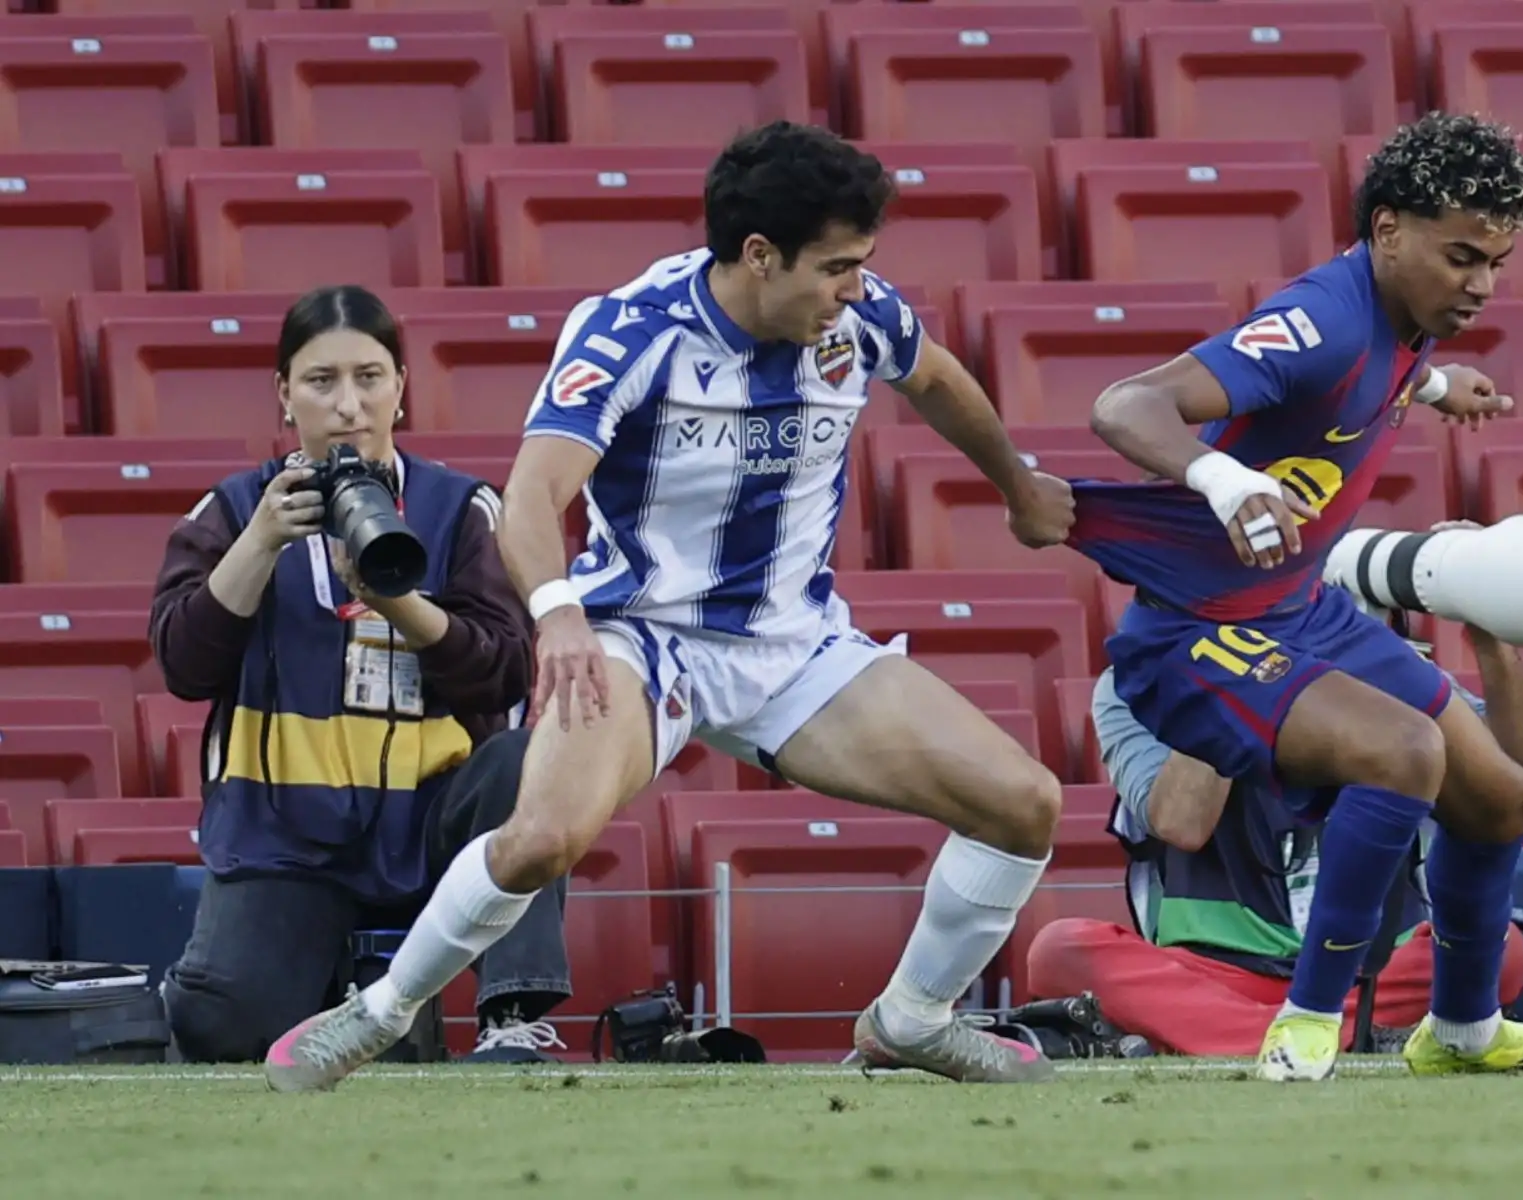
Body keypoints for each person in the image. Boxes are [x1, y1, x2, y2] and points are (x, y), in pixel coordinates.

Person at [263, 121, 1078, 1092]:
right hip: (641, 641)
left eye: (862, 266)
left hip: (795, 646)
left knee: (1024, 805)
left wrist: (1016, 486)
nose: (856, 289)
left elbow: (936, 379)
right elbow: (530, 498)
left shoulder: (859, 320)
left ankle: (913, 1019)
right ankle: (379, 1013)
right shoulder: (632, 333)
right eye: (837, 268)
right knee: (542, 840)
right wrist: (559, 613)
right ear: (760, 256)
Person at [1065, 112, 1523, 1080]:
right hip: (1194, 630)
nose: (1480, 284)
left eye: (1496, 262)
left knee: (1501, 797)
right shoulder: (1321, 318)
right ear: (1388, 229)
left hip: (1299, 608)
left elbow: (1376, 376)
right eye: (1462, 257)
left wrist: (1443, 390)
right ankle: (1308, 1024)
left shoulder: (1402, 324)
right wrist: (1222, 483)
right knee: (1403, 755)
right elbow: (1124, 404)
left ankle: (1465, 1032)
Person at [151, 285, 572, 1065]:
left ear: (401, 387)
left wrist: (400, 604)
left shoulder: (459, 507)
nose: (348, 405)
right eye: (321, 381)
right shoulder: (234, 508)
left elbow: (507, 672)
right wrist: (259, 544)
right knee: (220, 1031)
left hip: (436, 820)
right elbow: (182, 664)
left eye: (370, 377)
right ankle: (311, 988)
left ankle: (513, 1017)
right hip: (283, 832)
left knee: (525, 761)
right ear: (284, 395)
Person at [1028, 558, 1523, 1058]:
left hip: (1373, 967)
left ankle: (1256, 1032)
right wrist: (1229, 676)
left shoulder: (1393, 673)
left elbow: (1515, 782)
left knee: (1499, 949)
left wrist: (1490, 631)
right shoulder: (1131, 689)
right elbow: (1181, 823)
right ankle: (1350, 1031)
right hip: (1216, 969)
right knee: (1059, 951)